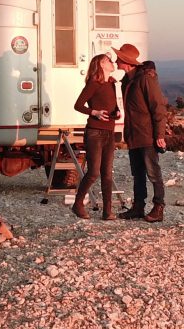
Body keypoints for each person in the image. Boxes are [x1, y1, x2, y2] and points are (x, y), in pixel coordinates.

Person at [112, 43, 167, 222]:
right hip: (134, 134)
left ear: (125, 61)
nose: (115, 60)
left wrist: (159, 135)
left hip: (147, 135)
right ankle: (138, 207)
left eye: (118, 58)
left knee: (153, 172)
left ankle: (159, 208)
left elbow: (158, 108)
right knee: (137, 173)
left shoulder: (144, 79)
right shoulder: (128, 80)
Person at [71, 53, 119, 220]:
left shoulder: (112, 84)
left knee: (107, 174)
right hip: (94, 133)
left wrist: (117, 112)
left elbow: (113, 104)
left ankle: (107, 211)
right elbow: (78, 105)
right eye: (107, 60)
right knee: (93, 172)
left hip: (109, 132)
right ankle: (77, 204)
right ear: (99, 65)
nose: (111, 62)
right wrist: (94, 112)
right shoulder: (94, 83)